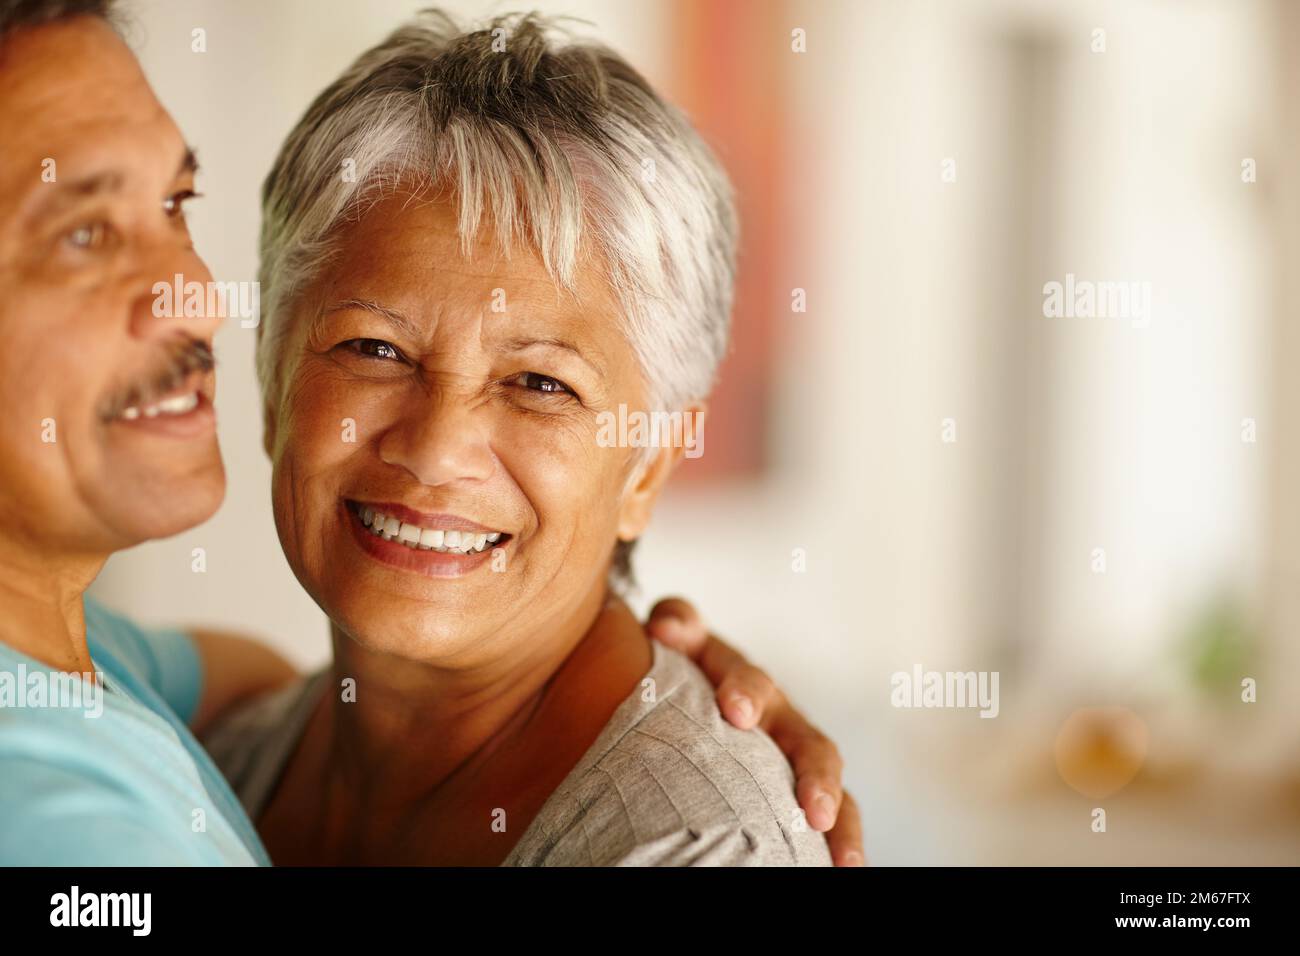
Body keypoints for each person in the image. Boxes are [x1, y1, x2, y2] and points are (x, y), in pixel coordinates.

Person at [0, 0, 862, 865]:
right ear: (275, 378)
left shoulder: (698, 844)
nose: (437, 447)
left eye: (539, 384)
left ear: (648, 467)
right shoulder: (211, 756)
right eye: (375, 348)